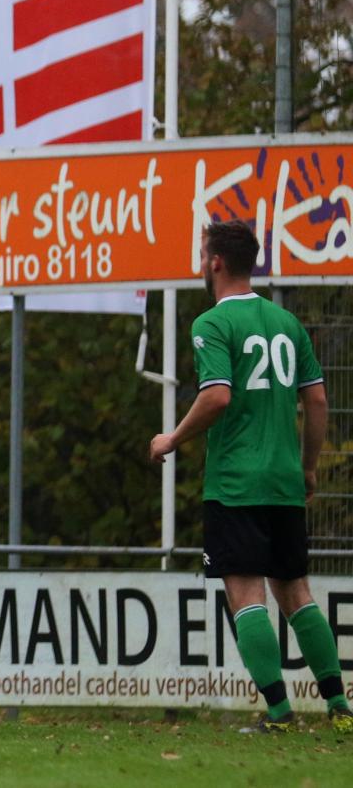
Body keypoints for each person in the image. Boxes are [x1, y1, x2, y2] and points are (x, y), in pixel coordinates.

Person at [149, 219, 350, 735]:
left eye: (201, 253)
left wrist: (172, 437)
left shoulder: (212, 325)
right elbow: (319, 400)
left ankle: (280, 714)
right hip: (284, 480)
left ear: (215, 261)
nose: (200, 262)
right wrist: (307, 466)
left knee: (246, 595)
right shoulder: (287, 324)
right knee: (297, 592)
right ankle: (340, 709)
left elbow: (217, 395)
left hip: (237, 481)